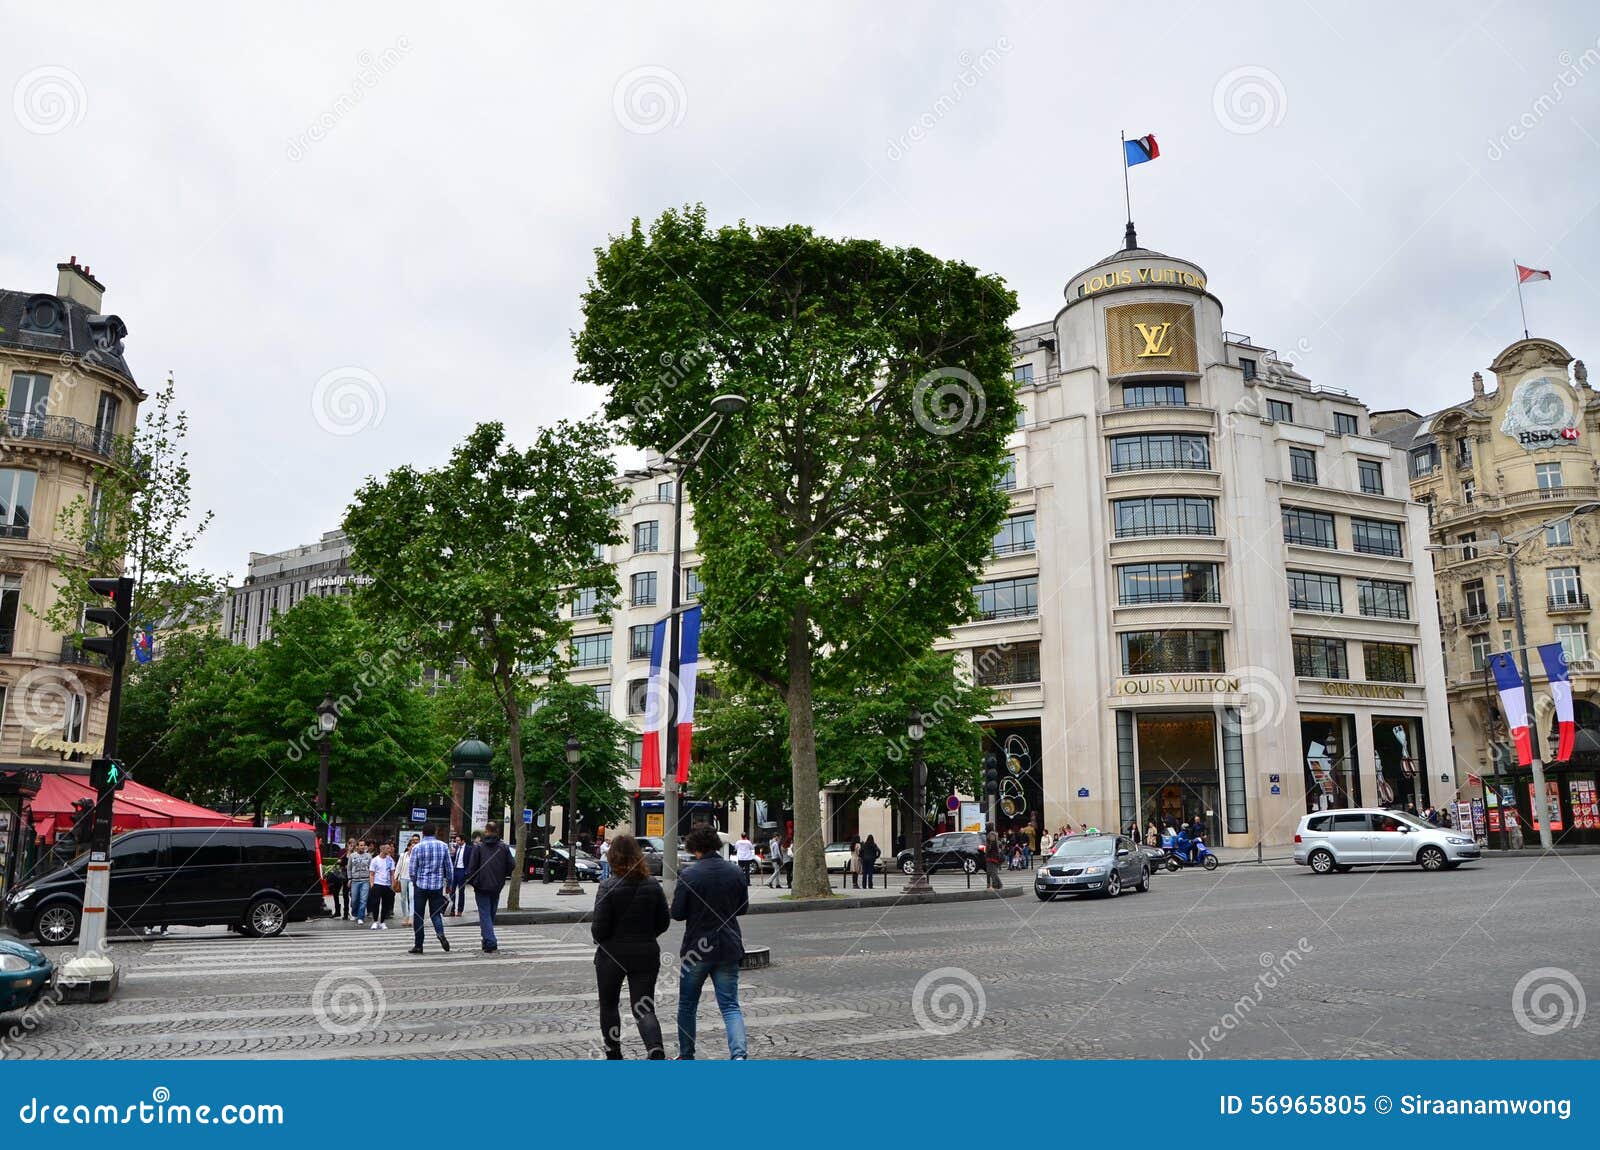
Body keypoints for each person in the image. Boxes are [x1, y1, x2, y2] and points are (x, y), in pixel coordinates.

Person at [590, 834, 670, 1059]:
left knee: (608, 1005)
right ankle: (655, 1049)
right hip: (646, 951)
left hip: (611, 955)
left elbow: (599, 929)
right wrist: (646, 935)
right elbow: (664, 921)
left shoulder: (607, 886)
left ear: (612, 856)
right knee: (644, 1006)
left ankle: (613, 1053)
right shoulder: (653, 885)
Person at [672, 825, 748, 1060]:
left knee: (687, 1005)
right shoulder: (735, 872)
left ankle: (687, 1054)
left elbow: (677, 913)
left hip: (697, 948)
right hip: (728, 945)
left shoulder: (689, 875)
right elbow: (742, 908)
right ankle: (738, 1056)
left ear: (694, 848)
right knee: (730, 1005)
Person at [464, 820, 514, 953]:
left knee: (485, 913)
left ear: (486, 831)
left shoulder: (478, 847)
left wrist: (472, 880)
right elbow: (512, 865)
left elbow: (472, 867)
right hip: (497, 885)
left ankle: (490, 941)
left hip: (481, 885)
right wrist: (503, 875)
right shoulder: (503, 848)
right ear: (497, 831)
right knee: (491, 913)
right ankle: (486, 940)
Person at [406, 822, 453, 955]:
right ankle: (440, 933)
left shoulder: (417, 848)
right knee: (435, 914)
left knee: (418, 916)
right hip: (436, 886)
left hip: (420, 886)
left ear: (423, 833)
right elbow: (449, 868)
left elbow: (412, 869)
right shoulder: (443, 846)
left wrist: (415, 882)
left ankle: (419, 945)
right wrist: (449, 884)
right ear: (435, 832)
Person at [368, 842, 396, 929]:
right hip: (377, 884)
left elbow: (392, 873)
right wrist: (372, 884)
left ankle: (383, 922)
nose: (389, 850)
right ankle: (375, 921)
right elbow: (372, 873)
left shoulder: (390, 860)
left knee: (385, 904)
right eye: (388, 848)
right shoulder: (375, 860)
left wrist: (392, 884)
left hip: (387, 885)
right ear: (382, 849)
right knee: (375, 903)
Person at [346, 840, 372, 925]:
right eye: (361, 845)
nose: (362, 847)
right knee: (354, 899)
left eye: (363, 845)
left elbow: (371, 869)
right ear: (357, 846)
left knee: (363, 900)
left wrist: (371, 880)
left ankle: (361, 917)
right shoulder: (352, 856)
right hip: (354, 880)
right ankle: (354, 914)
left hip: (366, 880)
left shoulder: (368, 856)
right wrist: (349, 878)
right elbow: (349, 868)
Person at [397, 834, 420, 927]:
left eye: (415, 847)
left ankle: (411, 916)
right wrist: (395, 878)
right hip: (403, 878)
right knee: (403, 898)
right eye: (412, 846)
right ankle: (404, 916)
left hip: (412, 879)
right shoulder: (403, 855)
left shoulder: (417, 856)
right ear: (408, 847)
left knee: (411, 897)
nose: (413, 848)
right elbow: (398, 866)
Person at [449, 833, 469, 916]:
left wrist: (467, 872)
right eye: (456, 840)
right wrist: (452, 854)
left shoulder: (469, 849)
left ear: (463, 841)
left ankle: (460, 910)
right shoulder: (456, 848)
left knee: (461, 891)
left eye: (458, 840)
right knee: (452, 890)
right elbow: (453, 859)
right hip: (455, 870)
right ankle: (452, 909)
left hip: (462, 871)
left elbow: (471, 861)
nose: (456, 842)